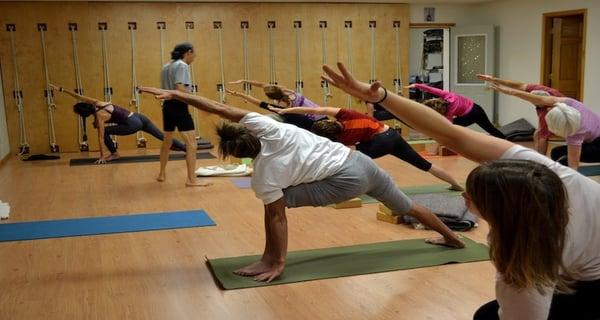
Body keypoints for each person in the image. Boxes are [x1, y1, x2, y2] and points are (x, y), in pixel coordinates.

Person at [322, 62, 600, 320]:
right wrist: (381, 97)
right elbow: (451, 134)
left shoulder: (526, 253)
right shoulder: (546, 174)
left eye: (473, 195)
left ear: (502, 210)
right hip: (583, 254)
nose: (464, 196)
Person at [138, 85, 465, 283]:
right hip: (361, 163)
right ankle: (452, 239)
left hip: (345, 181)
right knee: (408, 206)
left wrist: (278, 261)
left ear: (242, 156)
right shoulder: (267, 127)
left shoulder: (265, 173)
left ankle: (271, 260)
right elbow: (220, 107)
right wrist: (179, 95)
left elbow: (277, 217)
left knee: (276, 203)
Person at [272, 105, 463, 190]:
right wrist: (288, 110)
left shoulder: (342, 139)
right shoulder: (346, 114)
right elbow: (315, 110)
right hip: (392, 135)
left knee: (351, 160)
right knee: (424, 165)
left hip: (379, 142)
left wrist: (286, 112)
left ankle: (369, 186)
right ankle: (455, 184)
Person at [49, 84, 186, 164]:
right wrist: (61, 89)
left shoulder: (100, 115)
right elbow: (78, 97)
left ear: (84, 113)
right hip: (139, 117)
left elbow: (101, 137)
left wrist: (103, 156)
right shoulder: (98, 103)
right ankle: (187, 148)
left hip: (132, 124)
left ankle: (114, 154)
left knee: (106, 131)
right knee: (162, 136)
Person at [490, 83, 600, 169]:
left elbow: (573, 165)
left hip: (598, 145)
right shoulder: (570, 103)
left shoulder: (575, 133)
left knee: (560, 156)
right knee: (559, 154)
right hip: (594, 136)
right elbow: (540, 99)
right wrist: (509, 91)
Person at [160, 42, 210, 186]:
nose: (194, 58)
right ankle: (191, 180)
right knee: (192, 144)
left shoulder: (166, 66)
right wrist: (199, 100)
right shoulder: (182, 65)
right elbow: (179, 88)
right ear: (188, 52)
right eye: (193, 54)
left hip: (167, 106)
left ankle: (162, 173)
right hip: (179, 106)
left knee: (167, 142)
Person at [477, 74, 564, 154]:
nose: (532, 103)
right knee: (537, 133)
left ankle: (541, 160)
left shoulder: (546, 111)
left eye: (535, 103)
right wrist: (493, 79)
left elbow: (543, 138)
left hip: (564, 116)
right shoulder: (538, 89)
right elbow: (518, 85)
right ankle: (538, 155)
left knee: (541, 134)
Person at [407, 83, 506, 139]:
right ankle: (504, 139)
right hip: (477, 108)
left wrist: (436, 135)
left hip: (472, 115)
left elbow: (448, 127)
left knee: (452, 126)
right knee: (491, 129)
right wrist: (416, 85)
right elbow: (431, 89)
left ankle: (503, 140)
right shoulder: (447, 95)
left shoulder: (450, 112)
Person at [225, 88, 326, 130]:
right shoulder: (292, 93)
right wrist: (240, 94)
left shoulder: (281, 109)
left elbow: (260, 103)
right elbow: (263, 92)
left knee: (267, 118)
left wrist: (240, 94)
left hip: (313, 125)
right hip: (323, 118)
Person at [228, 79, 320, 108]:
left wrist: (240, 94)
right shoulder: (286, 90)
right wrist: (244, 81)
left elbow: (260, 103)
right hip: (317, 108)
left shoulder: (282, 104)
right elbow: (262, 84)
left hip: (312, 117)